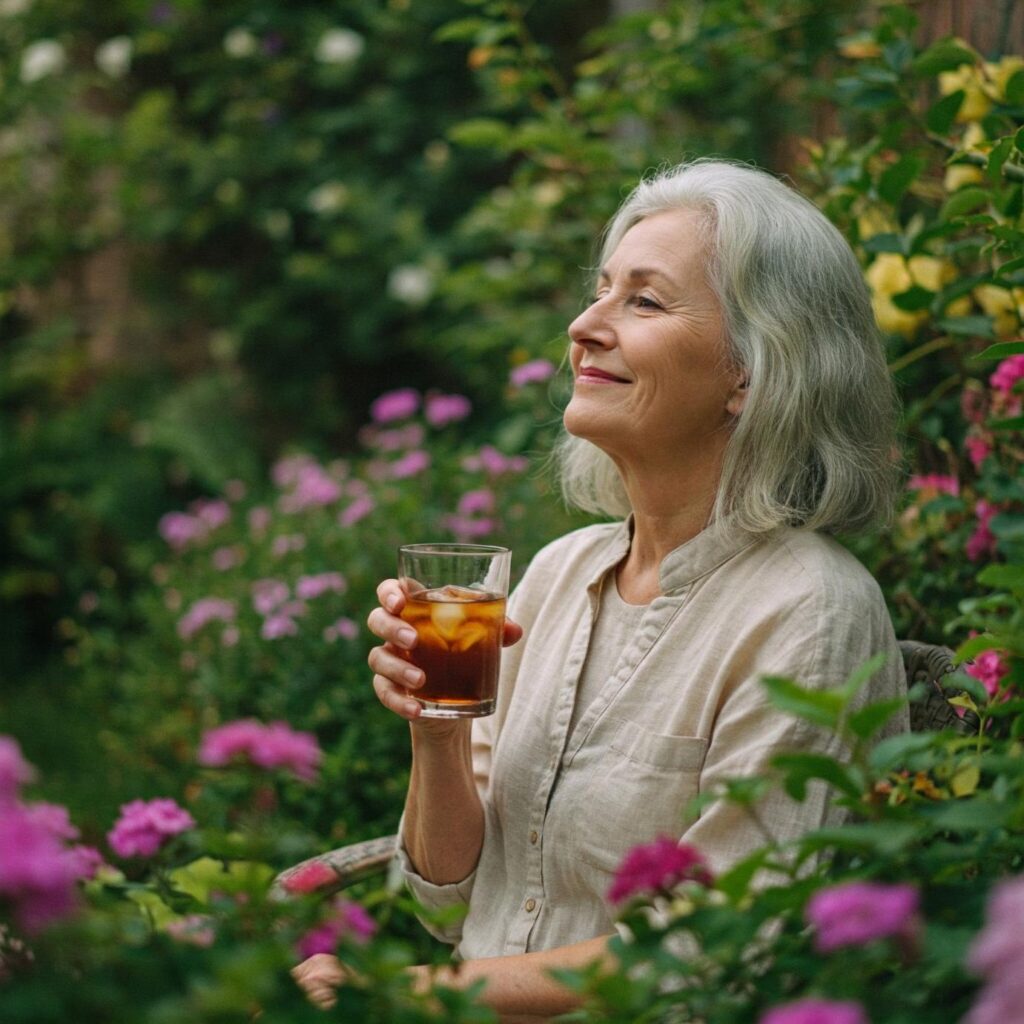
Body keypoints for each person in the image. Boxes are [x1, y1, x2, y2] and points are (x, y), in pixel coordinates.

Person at [294, 158, 910, 1019]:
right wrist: (435, 727)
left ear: (753, 371)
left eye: (644, 301)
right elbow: (445, 903)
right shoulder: (559, 572)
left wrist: (404, 998)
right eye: (599, 292)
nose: (585, 325)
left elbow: (720, 944)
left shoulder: (808, 612)